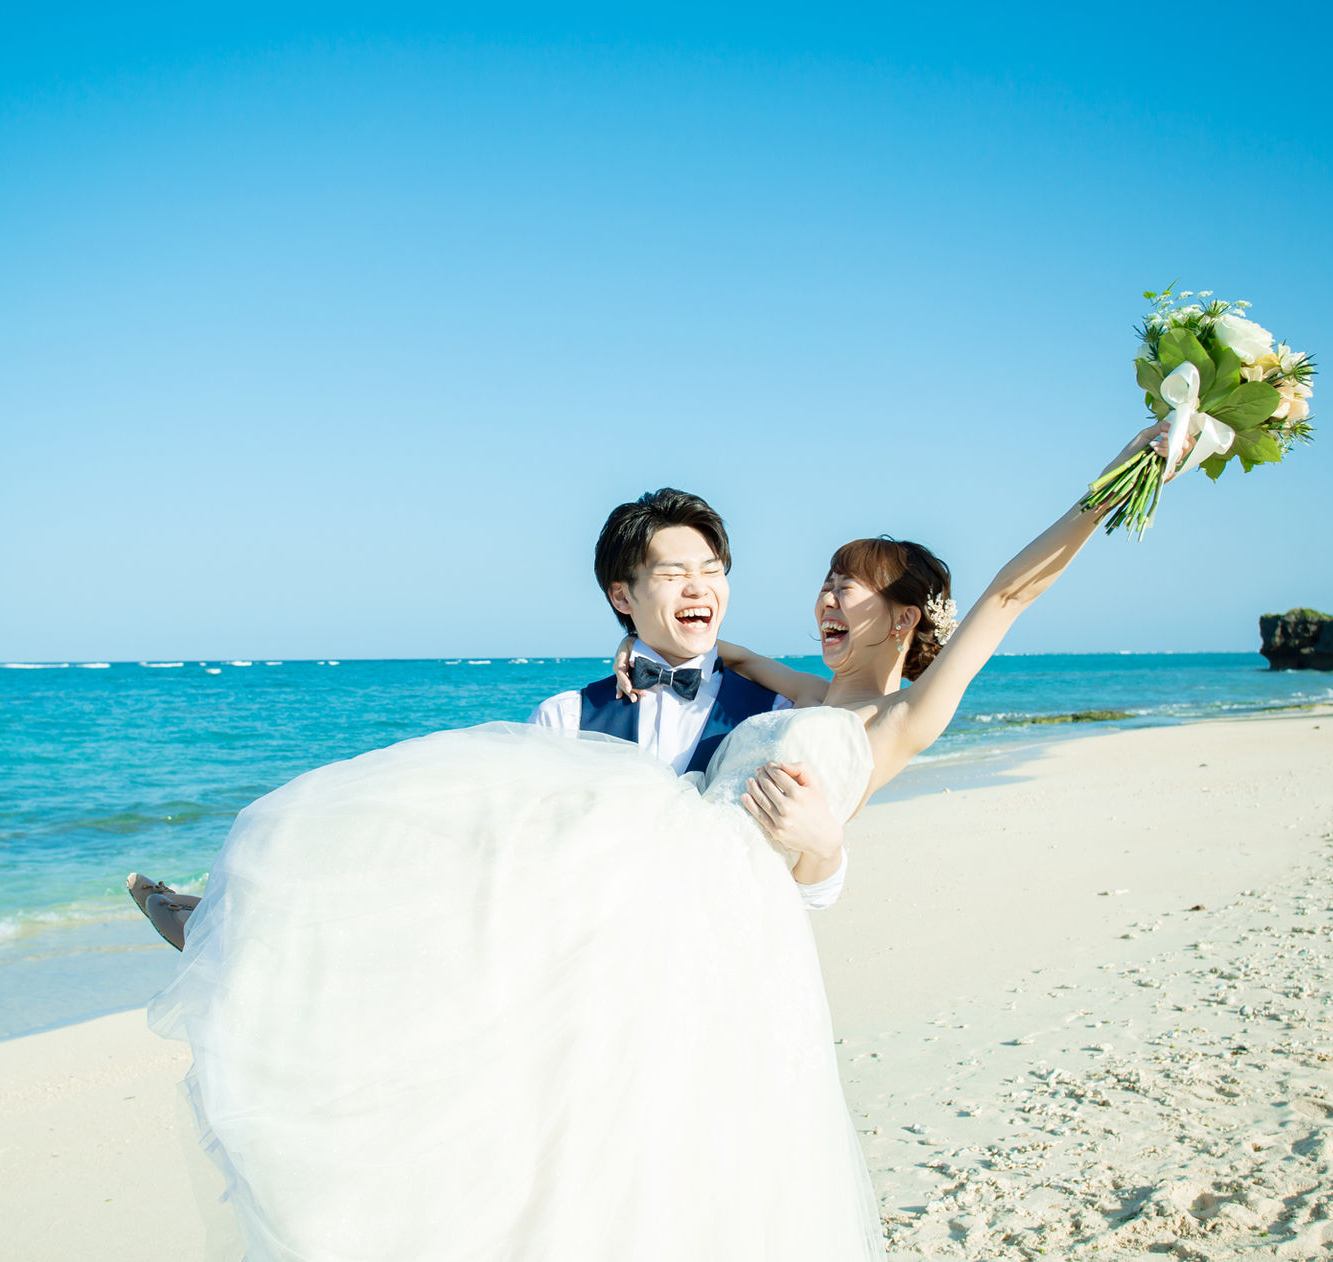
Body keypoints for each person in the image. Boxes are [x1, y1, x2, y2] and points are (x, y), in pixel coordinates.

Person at [138, 422, 1192, 1260]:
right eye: (825, 580)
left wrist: (1130, 469)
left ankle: (248, 932)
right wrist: (673, 645)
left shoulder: (899, 718)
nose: (826, 596)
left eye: (852, 584)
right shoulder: (777, 690)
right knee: (460, 839)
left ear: (908, 616)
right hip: (617, 931)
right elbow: (720, 662)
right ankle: (250, 928)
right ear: (625, 594)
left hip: (719, 944)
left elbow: (1009, 592)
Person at [127, 487, 848, 949]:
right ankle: (233, 923)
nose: (700, 587)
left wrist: (826, 845)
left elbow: (812, 893)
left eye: (712, 570)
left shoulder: (777, 713)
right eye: (673, 573)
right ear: (622, 596)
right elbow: (501, 863)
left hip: (722, 979)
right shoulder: (566, 718)